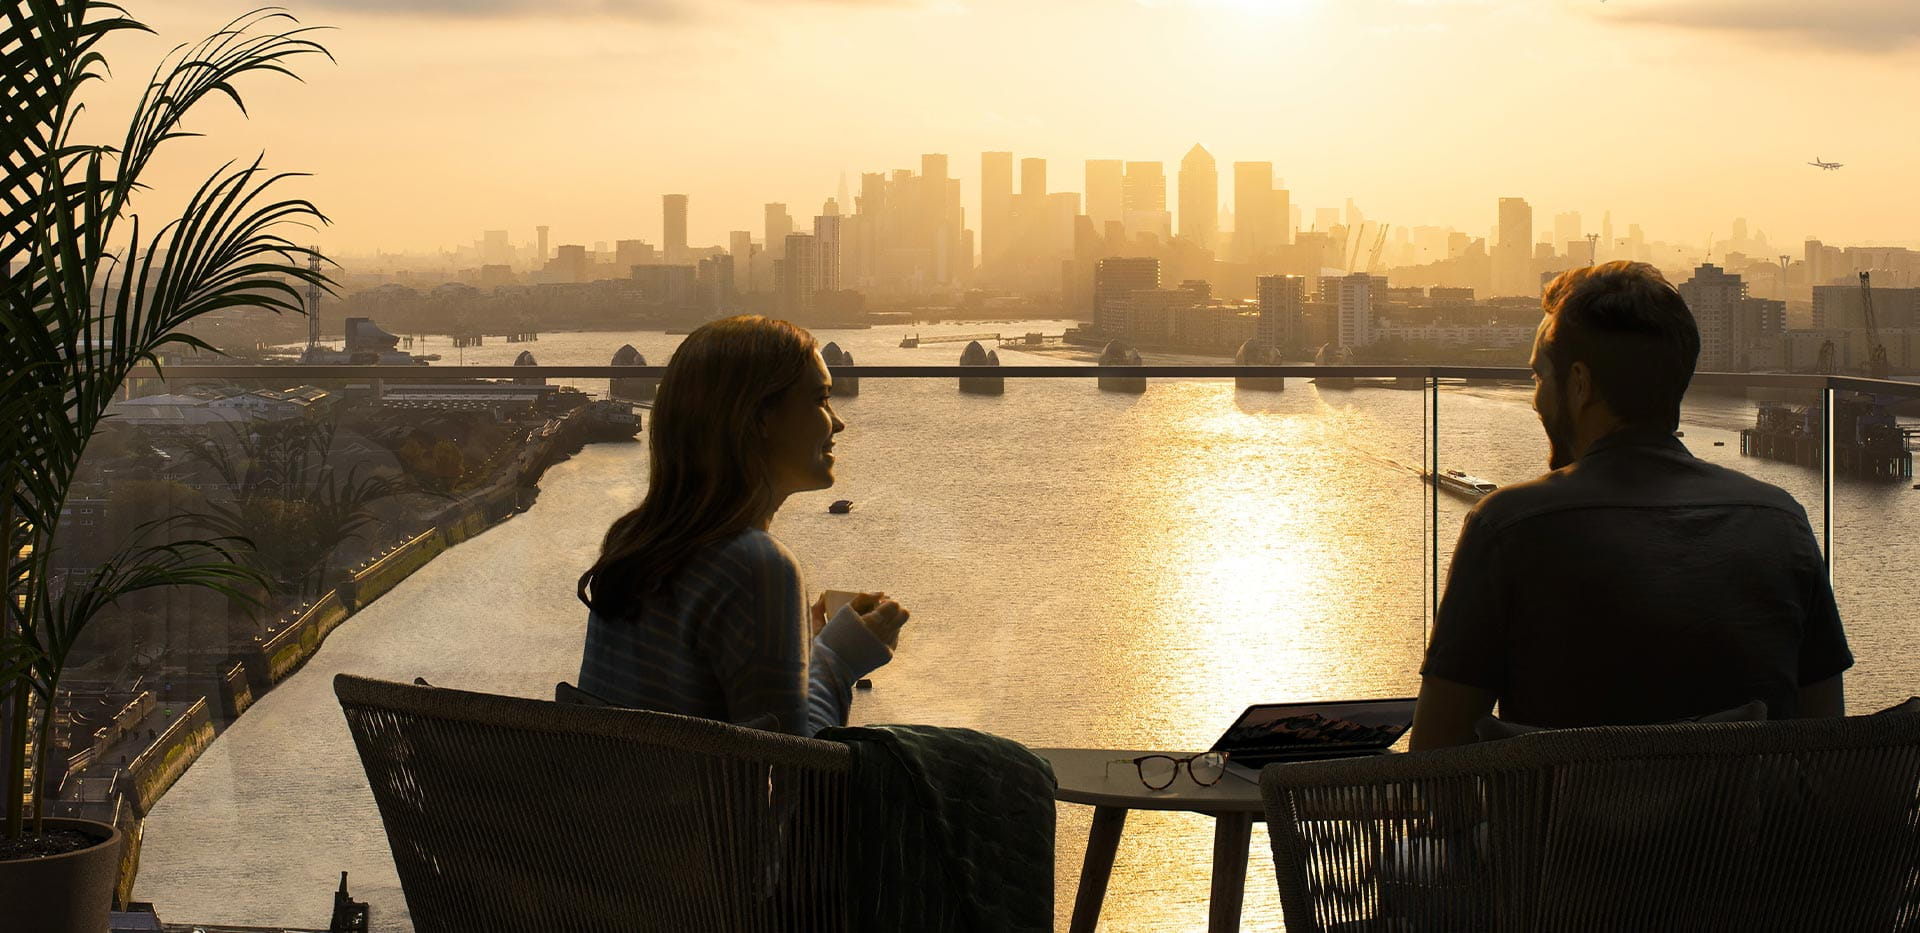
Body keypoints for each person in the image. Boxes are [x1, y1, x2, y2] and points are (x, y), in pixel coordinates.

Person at [1411, 262, 1851, 750]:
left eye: (1540, 377)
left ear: (1579, 385)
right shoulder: (1781, 522)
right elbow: (1828, 744)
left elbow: (1435, 759)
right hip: (1748, 827)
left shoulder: (1507, 528)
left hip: (1562, 827)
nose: (1536, 399)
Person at [576, 315, 908, 736]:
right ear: (759, 418)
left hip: (628, 800)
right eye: (822, 399)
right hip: (709, 804)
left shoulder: (635, 541)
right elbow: (791, 773)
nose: (837, 422)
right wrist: (838, 658)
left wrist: (799, 643)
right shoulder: (757, 566)